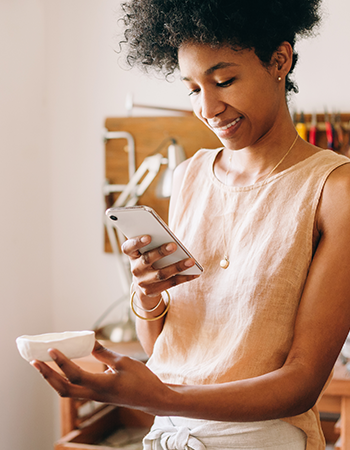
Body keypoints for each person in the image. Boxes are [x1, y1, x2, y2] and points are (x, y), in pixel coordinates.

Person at [31, 1, 350, 448]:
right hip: (168, 432)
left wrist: (163, 396)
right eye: (192, 88)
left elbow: (302, 384)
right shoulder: (190, 176)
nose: (208, 107)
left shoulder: (334, 189)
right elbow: (163, 344)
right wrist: (148, 294)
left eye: (224, 81)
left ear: (280, 60)